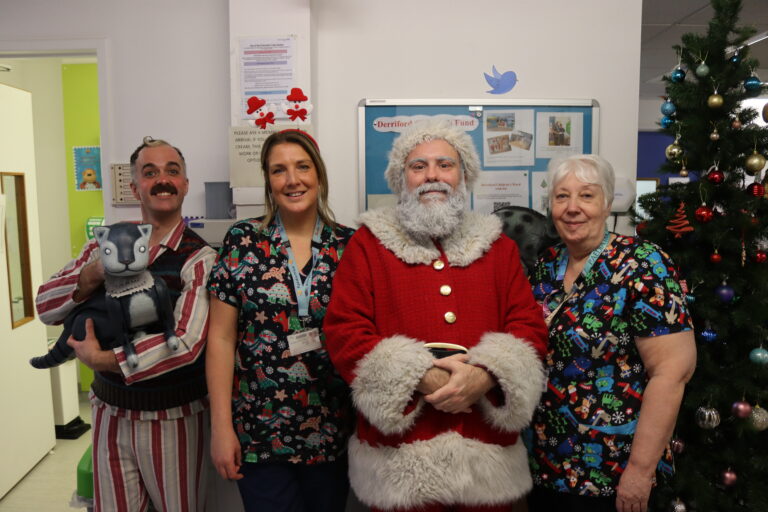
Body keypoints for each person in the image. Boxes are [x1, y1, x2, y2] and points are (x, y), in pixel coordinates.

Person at [323, 119, 549, 512]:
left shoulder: (498, 247)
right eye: (418, 166)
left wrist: (483, 377)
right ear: (401, 178)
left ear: (463, 175)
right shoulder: (367, 244)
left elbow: (528, 326)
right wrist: (424, 378)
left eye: (445, 164)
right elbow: (345, 330)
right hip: (399, 462)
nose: (432, 176)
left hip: (485, 457)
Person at [35, 137, 218, 511]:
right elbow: (45, 306)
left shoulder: (199, 257)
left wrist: (100, 359)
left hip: (173, 418)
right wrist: (94, 273)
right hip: (109, 413)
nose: (162, 180)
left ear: (184, 184)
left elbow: (186, 343)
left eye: (172, 171)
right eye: (149, 173)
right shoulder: (102, 245)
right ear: (135, 188)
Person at [525, 154, 697, 512]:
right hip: (546, 466)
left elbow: (672, 372)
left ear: (606, 204)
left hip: (614, 472)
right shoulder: (544, 267)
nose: (572, 208)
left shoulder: (643, 263)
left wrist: (639, 471)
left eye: (586, 196)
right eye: (561, 197)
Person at [206, 129, 355, 512]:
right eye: (279, 170)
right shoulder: (243, 240)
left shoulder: (349, 246)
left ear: (318, 174)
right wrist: (221, 428)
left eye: (302, 167)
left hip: (332, 428)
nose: (292, 180)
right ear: (268, 182)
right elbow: (221, 339)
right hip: (259, 431)